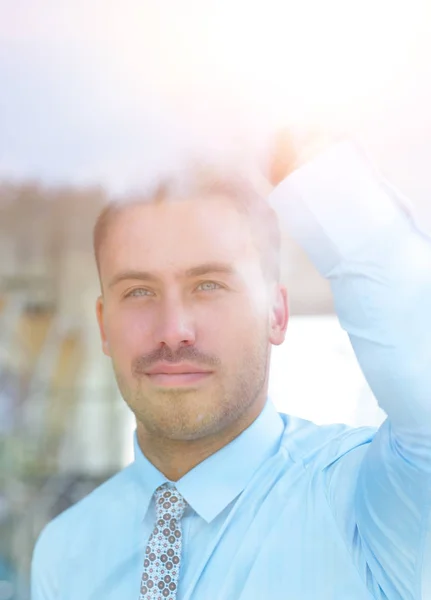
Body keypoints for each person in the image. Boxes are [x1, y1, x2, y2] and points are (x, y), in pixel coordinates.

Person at [30, 132, 431, 600]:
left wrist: (305, 148)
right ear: (103, 325)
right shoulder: (64, 552)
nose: (173, 329)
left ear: (276, 314)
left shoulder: (366, 507)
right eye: (139, 291)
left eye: (209, 285)